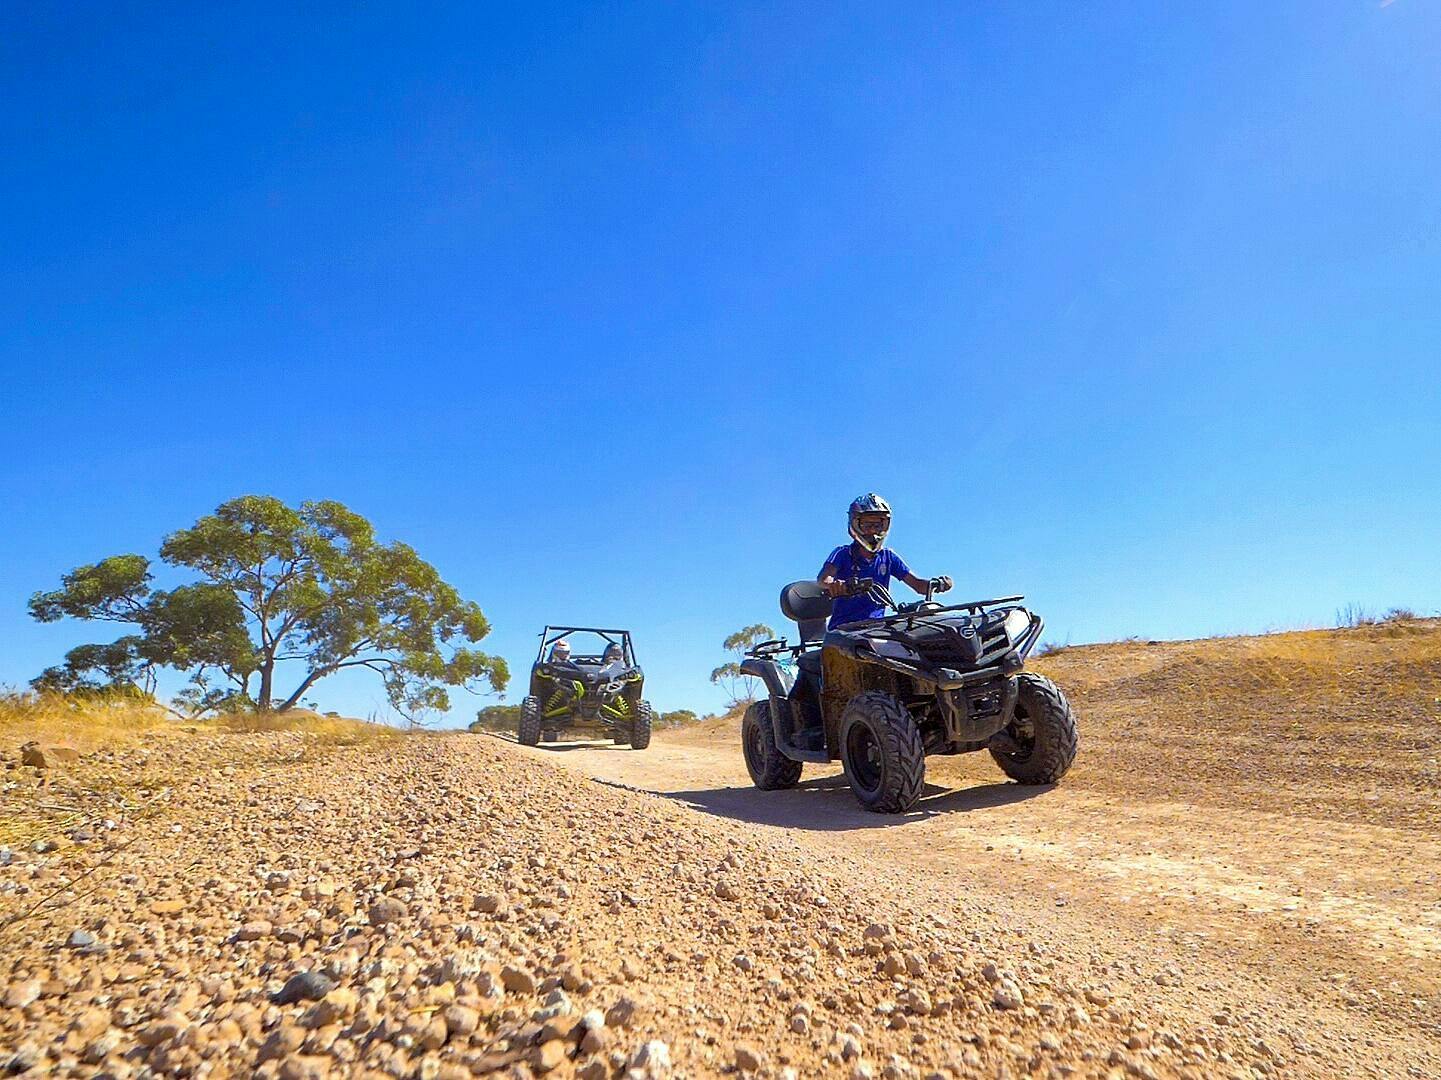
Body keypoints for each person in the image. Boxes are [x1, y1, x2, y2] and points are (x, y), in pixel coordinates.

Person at [819, 493, 953, 628]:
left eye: (877, 525)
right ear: (855, 524)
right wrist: (837, 585)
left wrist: (937, 584)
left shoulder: (888, 557)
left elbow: (918, 585)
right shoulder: (842, 553)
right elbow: (824, 579)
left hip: (876, 627)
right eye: (866, 524)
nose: (872, 530)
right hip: (843, 629)